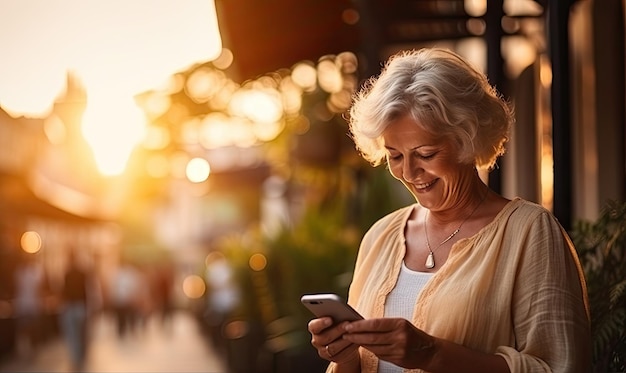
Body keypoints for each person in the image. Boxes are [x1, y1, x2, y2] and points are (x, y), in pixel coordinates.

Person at [306, 48, 591, 373]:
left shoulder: (528, 232)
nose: (409, 172)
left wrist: (431, 354)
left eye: (426, 154)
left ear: (468, 140)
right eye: (395, 156)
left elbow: (559, 367)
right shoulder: (380, 236)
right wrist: (345, 358)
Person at [59, 251, 91, 370]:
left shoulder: (67, 274)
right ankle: (79, 356)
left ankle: (75, 357)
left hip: (71, 306)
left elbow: (64, 292)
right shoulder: (82, 274)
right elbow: (86, 290)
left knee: (73, 334)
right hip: (80, 306)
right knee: (80, 333)